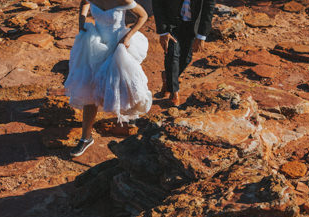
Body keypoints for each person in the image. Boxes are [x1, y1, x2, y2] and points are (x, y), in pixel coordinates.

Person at [64, 0, 153, 157]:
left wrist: (128, 36)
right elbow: (84, 3)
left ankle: (133, 127)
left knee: (124, 87)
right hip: (94, 44)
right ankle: (86, 138)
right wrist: (81, 22)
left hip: (116, 44)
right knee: (89, 90)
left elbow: (143, 15)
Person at [152, 0, 214, 105]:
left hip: (191, 26)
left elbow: (209, 8)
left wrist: (201, 36)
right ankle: (174, 93)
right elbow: (158, 3)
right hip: (171, 24)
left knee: (186, 58)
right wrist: (163, 31)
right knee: (172, 54)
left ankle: (168, 77)